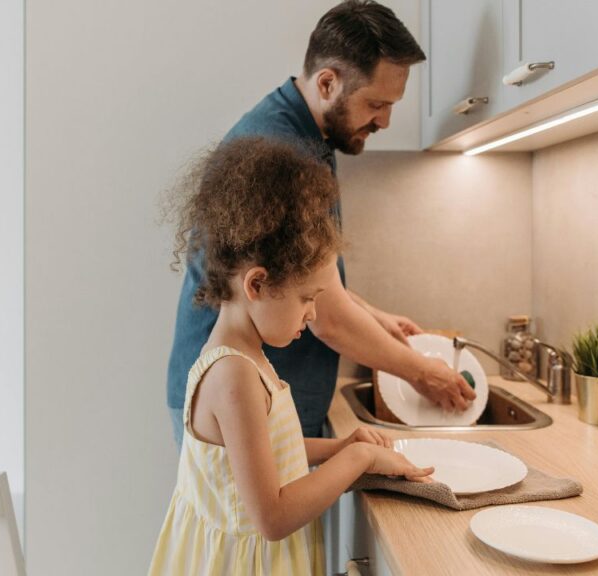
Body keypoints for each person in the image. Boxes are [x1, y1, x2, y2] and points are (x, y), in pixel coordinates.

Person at [167, 0, 475, 442]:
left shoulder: (307, 135)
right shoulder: (282, 151)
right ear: (327, 82)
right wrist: (423, 373)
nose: (385, 120)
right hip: (233, 407)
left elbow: (300, 271)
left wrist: (372, 314)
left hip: (252, 401)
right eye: (375, 103)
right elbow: (327, 319)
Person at [150, 137, 434, 576]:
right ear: (257, 285)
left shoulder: (246, 356)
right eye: (306, 298)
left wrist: (339, 447)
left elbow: (266, 453)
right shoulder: (234, 375)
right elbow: (273, 518)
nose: (313, 313)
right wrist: (360, 459)